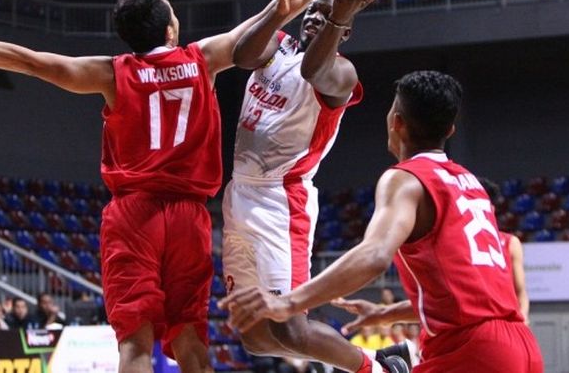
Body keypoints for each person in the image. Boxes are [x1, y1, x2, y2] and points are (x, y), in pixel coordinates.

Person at [0, 0, 309, 373]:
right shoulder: (201, 59)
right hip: (189, 217)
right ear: (170, 28)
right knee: (190, 341)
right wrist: (283, 7)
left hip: (134, 216)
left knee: (134, 346)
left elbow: (31, 60)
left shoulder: (112, 74)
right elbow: (247, 37)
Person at [220, 70, 544, 372]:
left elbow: (375, 256)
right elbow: (469, 295)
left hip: (471, 350)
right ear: (450, 130)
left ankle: (378, 367)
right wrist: (387, 313)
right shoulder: (470, 183)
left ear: (396, 122)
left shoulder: (405, 179)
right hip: (521, 346)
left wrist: (289, 301)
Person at [221, 0, 407, 373]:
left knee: (289, 328)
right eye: (312, 14)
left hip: (279, 202)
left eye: (325, 17)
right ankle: (379, 359)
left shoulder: (341, 73)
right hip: (240, 193)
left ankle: (378, 371)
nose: (313, 20)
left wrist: (341, 7)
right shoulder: (279, 46)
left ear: (344, 28)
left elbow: (313, 68)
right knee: (253, 335)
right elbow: (241, 53)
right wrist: (279, 12)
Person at [480, 177, 530, 323]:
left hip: (505, 320)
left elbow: (521, 291)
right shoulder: (457, 240)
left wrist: (524, 317)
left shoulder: (510, 242)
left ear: (491, 208)